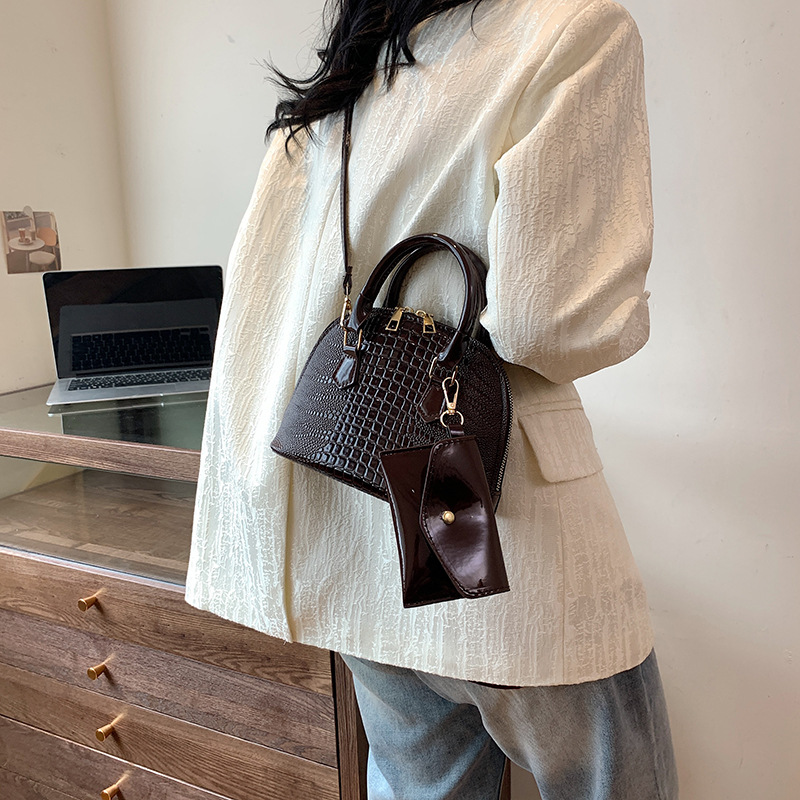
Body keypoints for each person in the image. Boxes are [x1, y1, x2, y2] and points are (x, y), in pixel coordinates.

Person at [185, 0, 678, 797]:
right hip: (497, 518)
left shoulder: (345, 87)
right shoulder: (573, 30)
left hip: (369, 517)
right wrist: (631, 314)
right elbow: (554, 325)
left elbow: (261, 317)